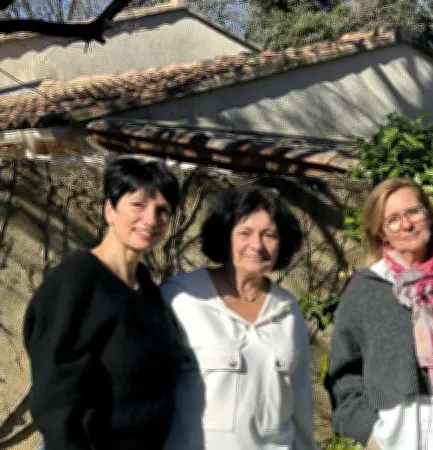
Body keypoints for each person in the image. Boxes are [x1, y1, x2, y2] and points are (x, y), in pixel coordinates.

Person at [324, 177, 433, 450]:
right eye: (392, 219)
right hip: (390, 441)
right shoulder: (363, 292)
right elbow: (343, 374)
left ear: (428, 215)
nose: (406, 225)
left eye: (413, 212)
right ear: (381, 232)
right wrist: (370, 433)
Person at [23, 157, 184, 450]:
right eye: (138, 205)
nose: (150, 219)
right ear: (109, 209)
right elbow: (56, 391)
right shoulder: (80, 279)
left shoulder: (147, 290)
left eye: (162, 210)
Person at [161, 187, 317, 450]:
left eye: (269, 235)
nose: (257, 246)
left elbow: (301, 404)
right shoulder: (182, 297)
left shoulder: (288, 310)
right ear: (225, 237)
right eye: (244, 233)